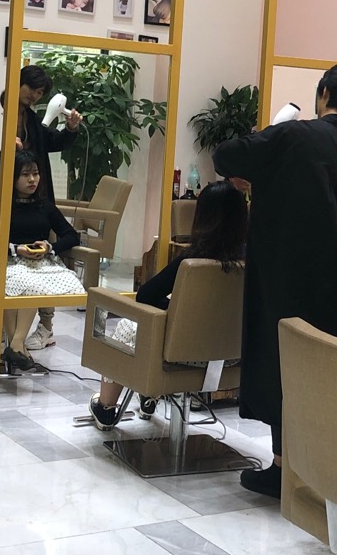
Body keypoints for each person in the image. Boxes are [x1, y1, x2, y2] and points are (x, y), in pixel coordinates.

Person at [213, 64, 337, 497]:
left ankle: (284, 469)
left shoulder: (294, 135)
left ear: (323, 93)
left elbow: (226, 155)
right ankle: (326, 469)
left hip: (292, 274)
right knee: (333, 372)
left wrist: (256, 171)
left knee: (283, 367)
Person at [87, 181, 247, 428]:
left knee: (128, 326)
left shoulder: (192, 260)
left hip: (180, 355)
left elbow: (146, 296)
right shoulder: (252, 262)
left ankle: (106, 407)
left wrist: (176, 308)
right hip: (232, 359)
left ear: (203, 217)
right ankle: (149, 396)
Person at [0, 150, 84, 373]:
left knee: (32, 281)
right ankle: (18, 348)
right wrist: (16, 248)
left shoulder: (42, 204)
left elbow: (71, 235)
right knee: (14, 280)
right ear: (10, 175)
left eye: (35, 174)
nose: (32, 180)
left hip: (32, 264)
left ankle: (16, 345)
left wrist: (49, 247)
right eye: (25, 175)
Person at [0, 65, 83, 349]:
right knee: (11, 261)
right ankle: (7, 329)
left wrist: (71, 128)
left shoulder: (32, 119)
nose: (34, 96)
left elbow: (52, 143)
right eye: (32, 90)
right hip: (8, 193)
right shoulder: (5, 111)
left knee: (42, 260)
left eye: (39, 93)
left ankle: (45, 326)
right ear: (18, 82)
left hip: (36, 198)